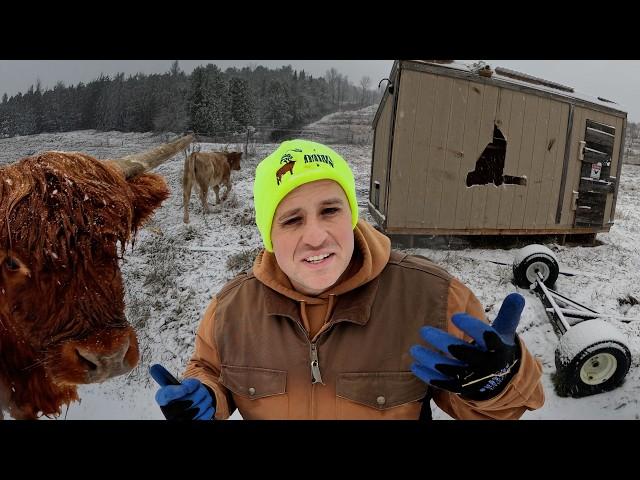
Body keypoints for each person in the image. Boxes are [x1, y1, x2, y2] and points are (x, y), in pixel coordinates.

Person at [150, 139, 544, 420]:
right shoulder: (230, 309)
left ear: (351, 215)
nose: (316, 236)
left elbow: (499, 412)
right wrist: (204, 394)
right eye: (291, 219)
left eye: (330, 211)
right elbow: (210, 369)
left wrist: (501, 382)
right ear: (269, 236)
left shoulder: (434, 297)